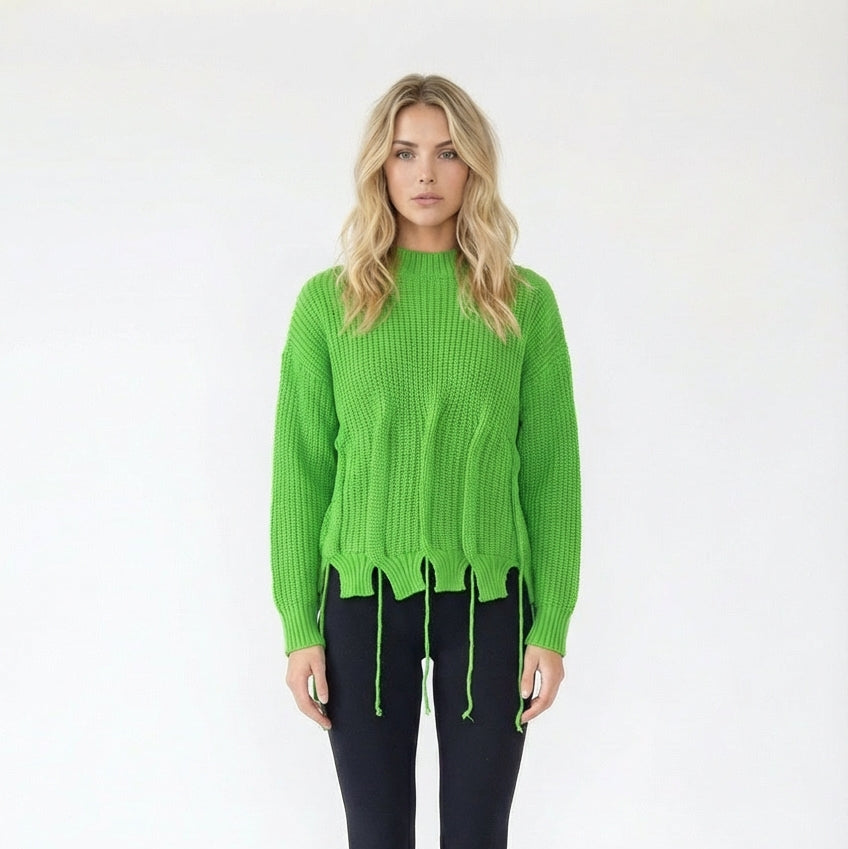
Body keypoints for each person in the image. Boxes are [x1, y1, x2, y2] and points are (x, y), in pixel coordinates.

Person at [270, 73, 581, 849]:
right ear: (380, 165)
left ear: (474, 167)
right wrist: (298, 624)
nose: (425, 173)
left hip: (489, 601)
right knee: (377, 834)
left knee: (478, 833)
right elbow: (300, 473)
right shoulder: (329, 304)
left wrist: (551, 621)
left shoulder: (524, 303)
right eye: (405, 152)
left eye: (447, 153)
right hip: (361, 601)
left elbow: (551, 472)